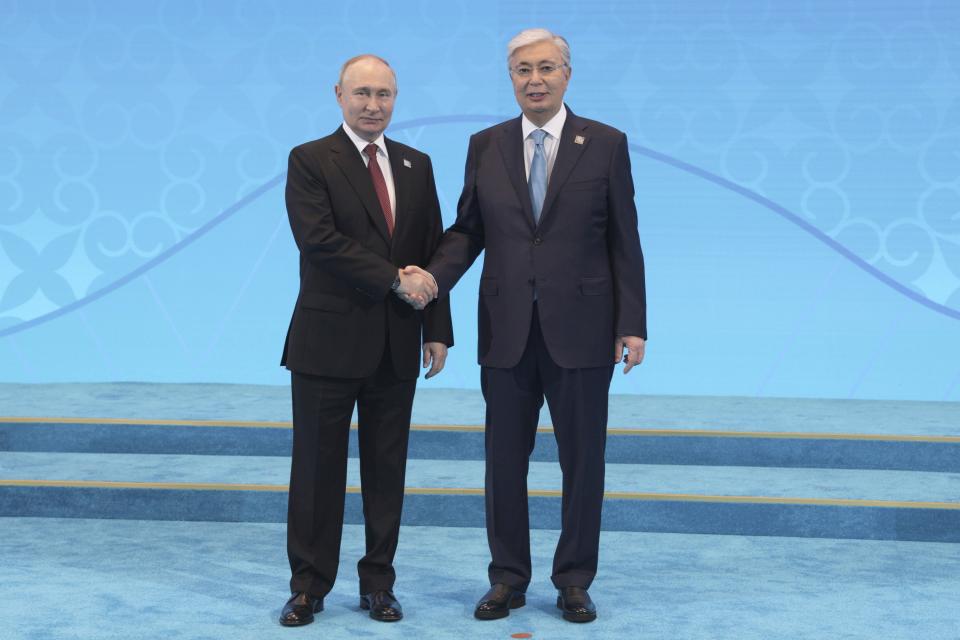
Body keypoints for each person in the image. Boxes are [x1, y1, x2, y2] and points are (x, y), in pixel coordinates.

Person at [409, 28, 647, 624]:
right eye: (522, 70)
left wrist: (633, 323)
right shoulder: (485, 145)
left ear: (567, 73)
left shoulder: (607, 144)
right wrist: (431, 278)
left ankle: (573, 581)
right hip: (507, 327)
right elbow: (468, 230)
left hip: (586, 330)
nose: (534, 80)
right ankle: (507, 578)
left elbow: (625, 240)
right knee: (502, 463)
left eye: (545, 68)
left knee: (583, 462)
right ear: (510, 78)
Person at [278, 54, 452, 626]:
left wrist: (437, 330)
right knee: (315, 473)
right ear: (338, 95)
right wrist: (392, 280)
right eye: (362, 94)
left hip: (397, 343)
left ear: (395, 98)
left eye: (384, 94)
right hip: (326, 343)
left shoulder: (416, 164)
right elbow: (318, 240)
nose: (373, 105)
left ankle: (379, 582)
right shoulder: (310, 160)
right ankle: (308, 586)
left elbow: (429, 250)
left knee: (387, 471)